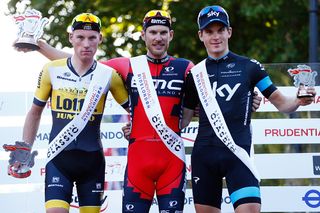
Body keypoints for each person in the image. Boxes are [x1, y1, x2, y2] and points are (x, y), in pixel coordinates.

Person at [15, 9, 262, 213]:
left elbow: (215, 94)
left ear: (171, 35)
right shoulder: (127, 65)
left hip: (172, 161)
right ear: (143, 35)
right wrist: (37, 45)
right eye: (152, 32)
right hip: (138, 163)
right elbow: (81, 58)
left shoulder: (186, 68)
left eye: (163, 32)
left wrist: (249, 99)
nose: (158, 38)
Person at [181, 5, 316, 213]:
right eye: (209, 31)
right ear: (201, 35)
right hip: (204, 157)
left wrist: (298, 100)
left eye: (220, 30)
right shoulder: (194, 74)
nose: (215, 36)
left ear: (229, 32)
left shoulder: (250, 67)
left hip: (238, 155)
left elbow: (282, 103)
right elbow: (183, 120)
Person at [8, 13, 128, 213]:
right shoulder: (52, 70)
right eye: (80, 37)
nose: (86, 44)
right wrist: (24, 148)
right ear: (71, 38)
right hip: (59, 159)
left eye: (92, 38)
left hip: (93, 162)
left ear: (100, 39)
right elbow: (35, 112)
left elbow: (136, 110)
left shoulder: (108, 76)